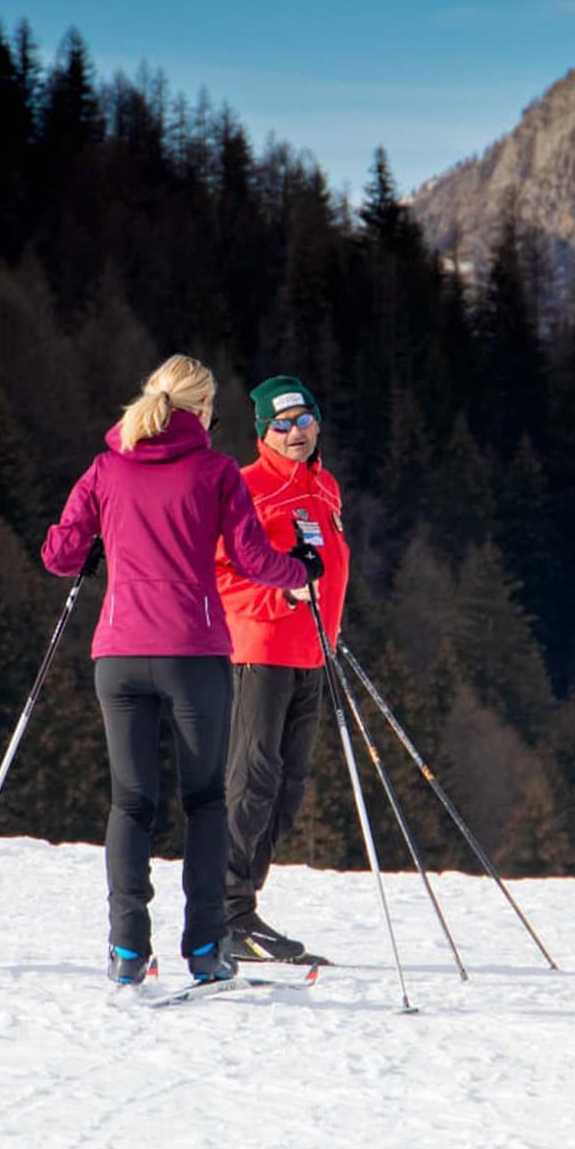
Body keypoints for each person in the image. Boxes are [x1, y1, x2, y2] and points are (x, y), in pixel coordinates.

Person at [40, 355, 314, 986]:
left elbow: (59, 554)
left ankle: (128, 949)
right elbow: (252, 559)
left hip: (120, 652)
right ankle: (205, 948)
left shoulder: (107, 466)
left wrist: (99, 542)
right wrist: (302, 572)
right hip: (193, 654)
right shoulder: (216, 470)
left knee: (131, 802)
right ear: (201, 409)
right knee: (205, 800)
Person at [214, 374, 349, 965]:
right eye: (281, 424)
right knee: (254, 781)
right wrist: (282, 601)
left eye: (302, 421)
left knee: (289, 789)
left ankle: (243, 906)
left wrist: (328, 632)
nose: (294, 433)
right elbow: (220, 577)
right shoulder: (247, 488)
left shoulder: (325, 488)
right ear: (263, 432)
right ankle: (226, 912)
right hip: (261, 650)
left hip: (313, 654)